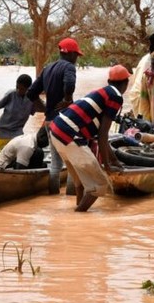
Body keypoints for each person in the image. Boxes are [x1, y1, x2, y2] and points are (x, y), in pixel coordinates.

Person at [49, 65, 130, 212]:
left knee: (80, 182)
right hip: (70, 135)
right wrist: (107, 165)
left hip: (56, 132)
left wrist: (114, 160)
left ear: (109, 81)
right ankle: (78, 215)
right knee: (100, 184)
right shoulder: (116, 96)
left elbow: (101, 136)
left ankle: (77, 223)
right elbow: (103, 134)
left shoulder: (102, 92)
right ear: (126, 83)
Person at [26, 37, 82, 195]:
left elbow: (31, 92)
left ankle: (53, 197)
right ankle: (72, 197)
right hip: (65, 120)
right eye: (76, 55)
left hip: (50, 121)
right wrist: (67, 100)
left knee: (55, 163)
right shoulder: (69, 67)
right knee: (72, 161)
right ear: (70, 54)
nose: (77, 58)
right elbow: (70, 84)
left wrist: (44, 107)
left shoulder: (48, 68)